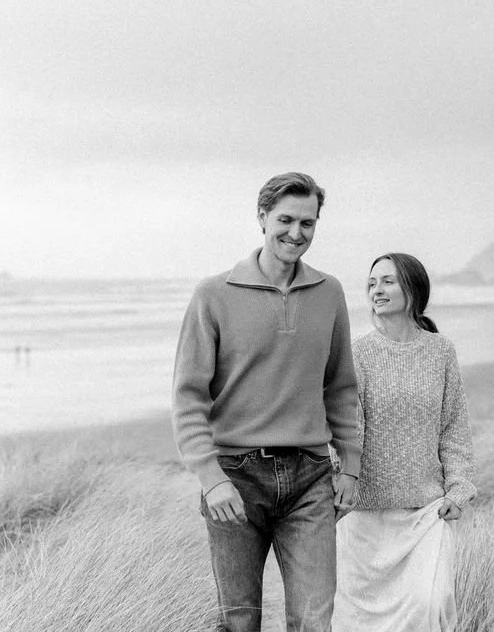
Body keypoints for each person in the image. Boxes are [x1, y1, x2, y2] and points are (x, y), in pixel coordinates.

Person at [172, 172, 360, 632]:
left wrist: (351, 466)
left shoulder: (329, 293)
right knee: (239, 622)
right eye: (286, 220)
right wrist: (211, 479)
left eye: (308, 223)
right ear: (261, 217)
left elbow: (340, 386)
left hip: (311, 477)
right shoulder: (213, 295)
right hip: (236, 480)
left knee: (315, 621)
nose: (297, 233)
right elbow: (189, 395)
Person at [333, 253, 477, 632]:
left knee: (427, 605)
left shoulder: (440, 351)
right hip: (365, 518)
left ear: (413, 289)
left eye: (388, 281)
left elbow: (453, 427)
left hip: (426, 514)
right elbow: (349, 428)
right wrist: (340, 478)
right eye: (371, 283)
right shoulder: (357, 352)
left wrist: (458, 489)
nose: (376, 290)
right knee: (358, 622)